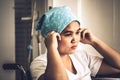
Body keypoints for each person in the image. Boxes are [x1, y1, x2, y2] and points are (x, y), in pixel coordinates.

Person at [30, 6, 120, 80]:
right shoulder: (40, 63)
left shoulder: (81, 56)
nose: (75, 39)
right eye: (68, 34)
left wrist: (94, 41)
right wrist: (52, 47)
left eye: (77, 32)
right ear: (52, 37)